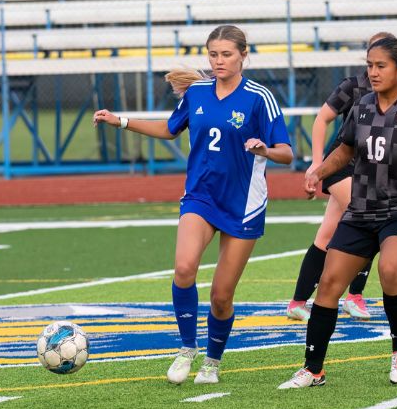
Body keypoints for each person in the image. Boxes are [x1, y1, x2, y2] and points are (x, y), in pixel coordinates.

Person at [93, 24, 292, 385]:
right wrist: (120, 121)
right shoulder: (198, 92)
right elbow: (170, 129)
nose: (219, 61)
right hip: (200, 195)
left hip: (243, 203)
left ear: (244, 56)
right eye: (213, 54)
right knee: (184, 269)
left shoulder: (259, 97)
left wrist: (265, 149)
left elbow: (288, 153)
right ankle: (187, 348)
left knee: (221, 296)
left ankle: (212, 363)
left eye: (227, 54)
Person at [278, 36, 397, 389]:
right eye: (369, 65)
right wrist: (317, 172)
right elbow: (345, 150)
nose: (373, 72)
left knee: (390, 268)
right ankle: (313, 368)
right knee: (330, 284)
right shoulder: (362, 105)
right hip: (361, 212)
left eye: (381, 66)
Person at [287, 31, 395, 322]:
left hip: (368, 168)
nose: (376, 67)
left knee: (326, 234)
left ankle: (297, 302)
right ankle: (354, 296)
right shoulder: (354, 85)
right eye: (373, 59)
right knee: (371, 217)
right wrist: (317, 164)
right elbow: (322, 119)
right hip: (341, 165)